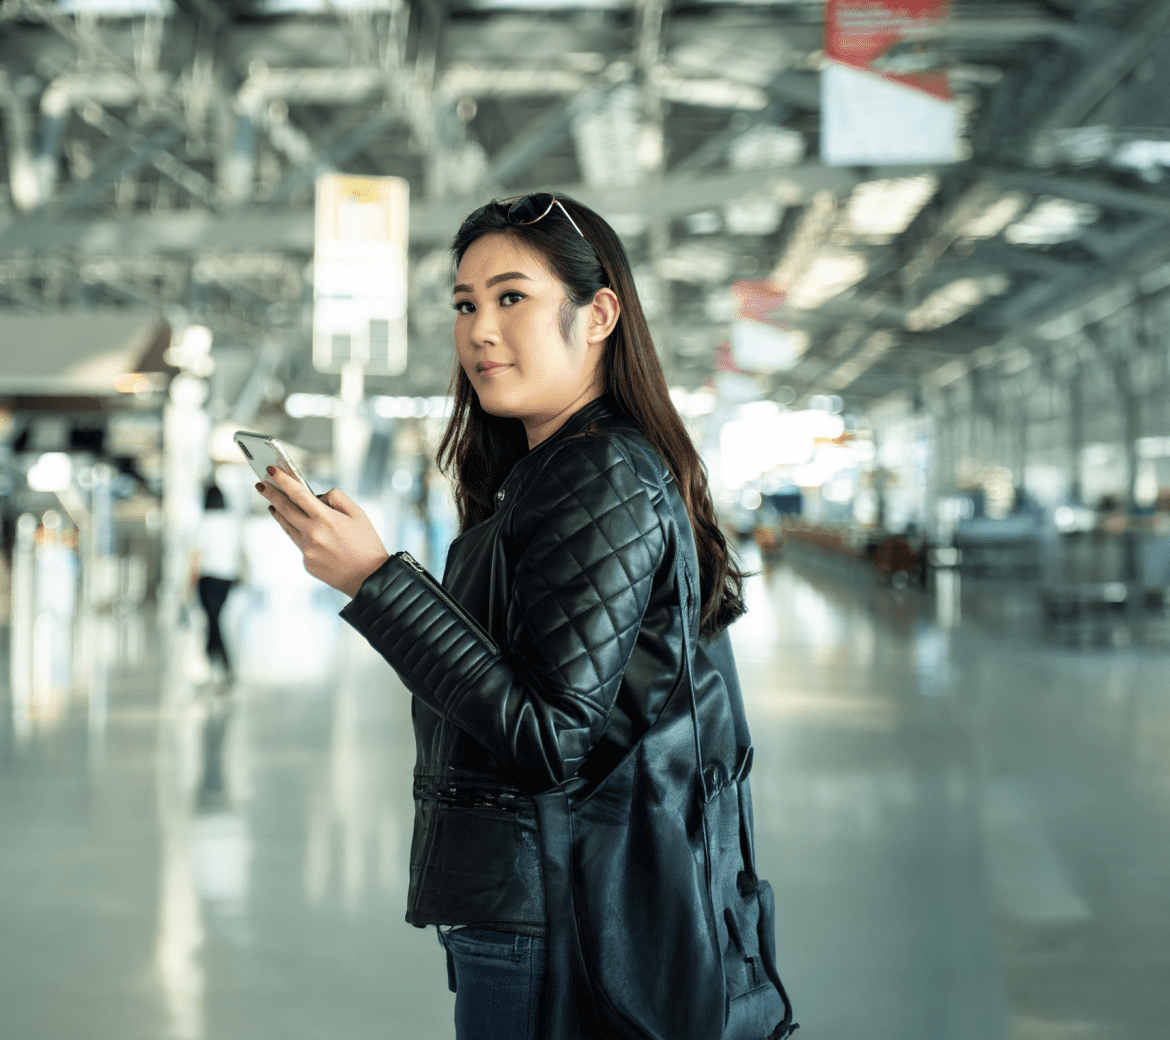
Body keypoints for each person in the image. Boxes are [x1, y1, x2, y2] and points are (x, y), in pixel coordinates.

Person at [256, 193, 794, 1040]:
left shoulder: (600, 473)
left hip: (555, 914)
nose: (479, 330)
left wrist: (375, 582)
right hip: (543, 902)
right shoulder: (545, 474)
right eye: (465, 304)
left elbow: (549, 736)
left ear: (599, 315)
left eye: (512, 298)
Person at [191, 484, 241, 685]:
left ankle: (222, 665)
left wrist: (189, 583)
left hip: (208, 578)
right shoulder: (231, 522)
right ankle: (215, 665)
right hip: (227, 579)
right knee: (215, 620)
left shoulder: (204, 523)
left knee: (213, 621)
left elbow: (196, 556)